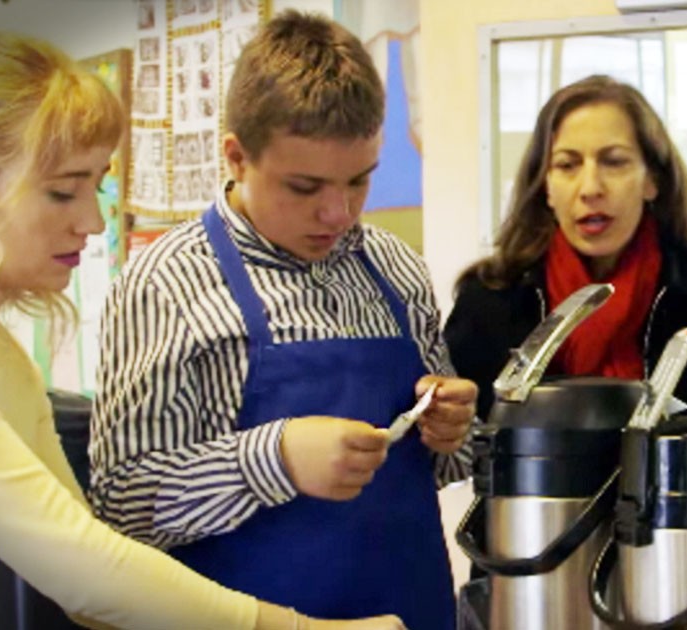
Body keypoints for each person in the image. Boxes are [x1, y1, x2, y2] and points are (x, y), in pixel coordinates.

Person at [0, 31, 400, 630]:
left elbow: (92, 584)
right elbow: (83, 568)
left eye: (96, 187)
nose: (92, 221)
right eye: (62, 192)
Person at [89, 10, 474, 630]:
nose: (338, 212)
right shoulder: (163, 284)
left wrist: (451, 431)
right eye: (304, 186)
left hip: (408, 611)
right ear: (236, 158)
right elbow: (120, 507)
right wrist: (275, 458)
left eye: (359, 181)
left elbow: (446, 467)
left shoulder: (397, 269)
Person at [443, 74, 687, 508]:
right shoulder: (490, 300)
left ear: (652, 179)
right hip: (528, 549)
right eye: (567, 165)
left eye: (614, 162)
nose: (590, 188)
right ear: (545, 186)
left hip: (686, 548)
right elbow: (448, 453)